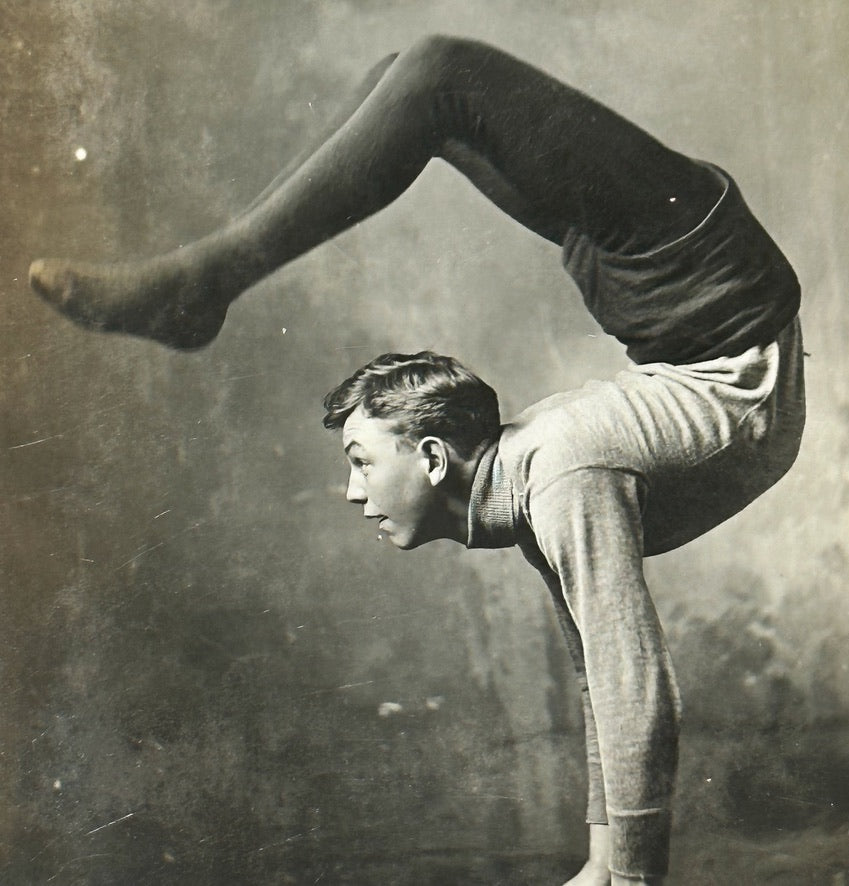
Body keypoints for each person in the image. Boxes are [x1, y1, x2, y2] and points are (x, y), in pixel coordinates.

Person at [29, 36, 805, 884]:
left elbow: (632, 685)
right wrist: (601, 862)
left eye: (362, 459)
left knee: (427, 80)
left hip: (703, 285)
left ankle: (200, 285)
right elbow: (603, 669)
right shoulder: (549, 483)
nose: (349, 488)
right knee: (415, 88)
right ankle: (201, 283)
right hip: (684, 295)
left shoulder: (559, 476)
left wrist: (633, 876)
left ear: (435, 457)